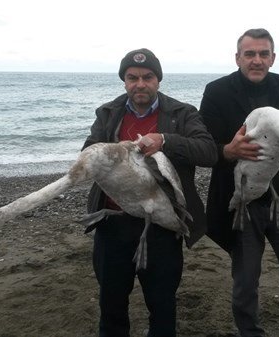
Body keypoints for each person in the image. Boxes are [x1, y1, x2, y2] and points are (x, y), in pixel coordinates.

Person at [82, 48, 217, 337]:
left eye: (147, 77)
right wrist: (110, 153)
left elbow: (208, 152)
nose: (140, 84)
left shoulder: (182, 113)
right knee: (111, 305)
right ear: (124, 81)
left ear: (158, 80)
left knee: (162, 305)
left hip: (161, 228)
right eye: (132, 77)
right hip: (111, 226)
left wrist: (165, 140)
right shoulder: (107, 113)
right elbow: (88, 154)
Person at [199, 29, 279, 336]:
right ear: (237, 57)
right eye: (250, 54)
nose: (257, 61)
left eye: (263, 54)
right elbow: (202, 146)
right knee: (245, 283)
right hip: (242, 204)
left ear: (273, 58)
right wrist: (228, 150)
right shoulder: (217, 91)